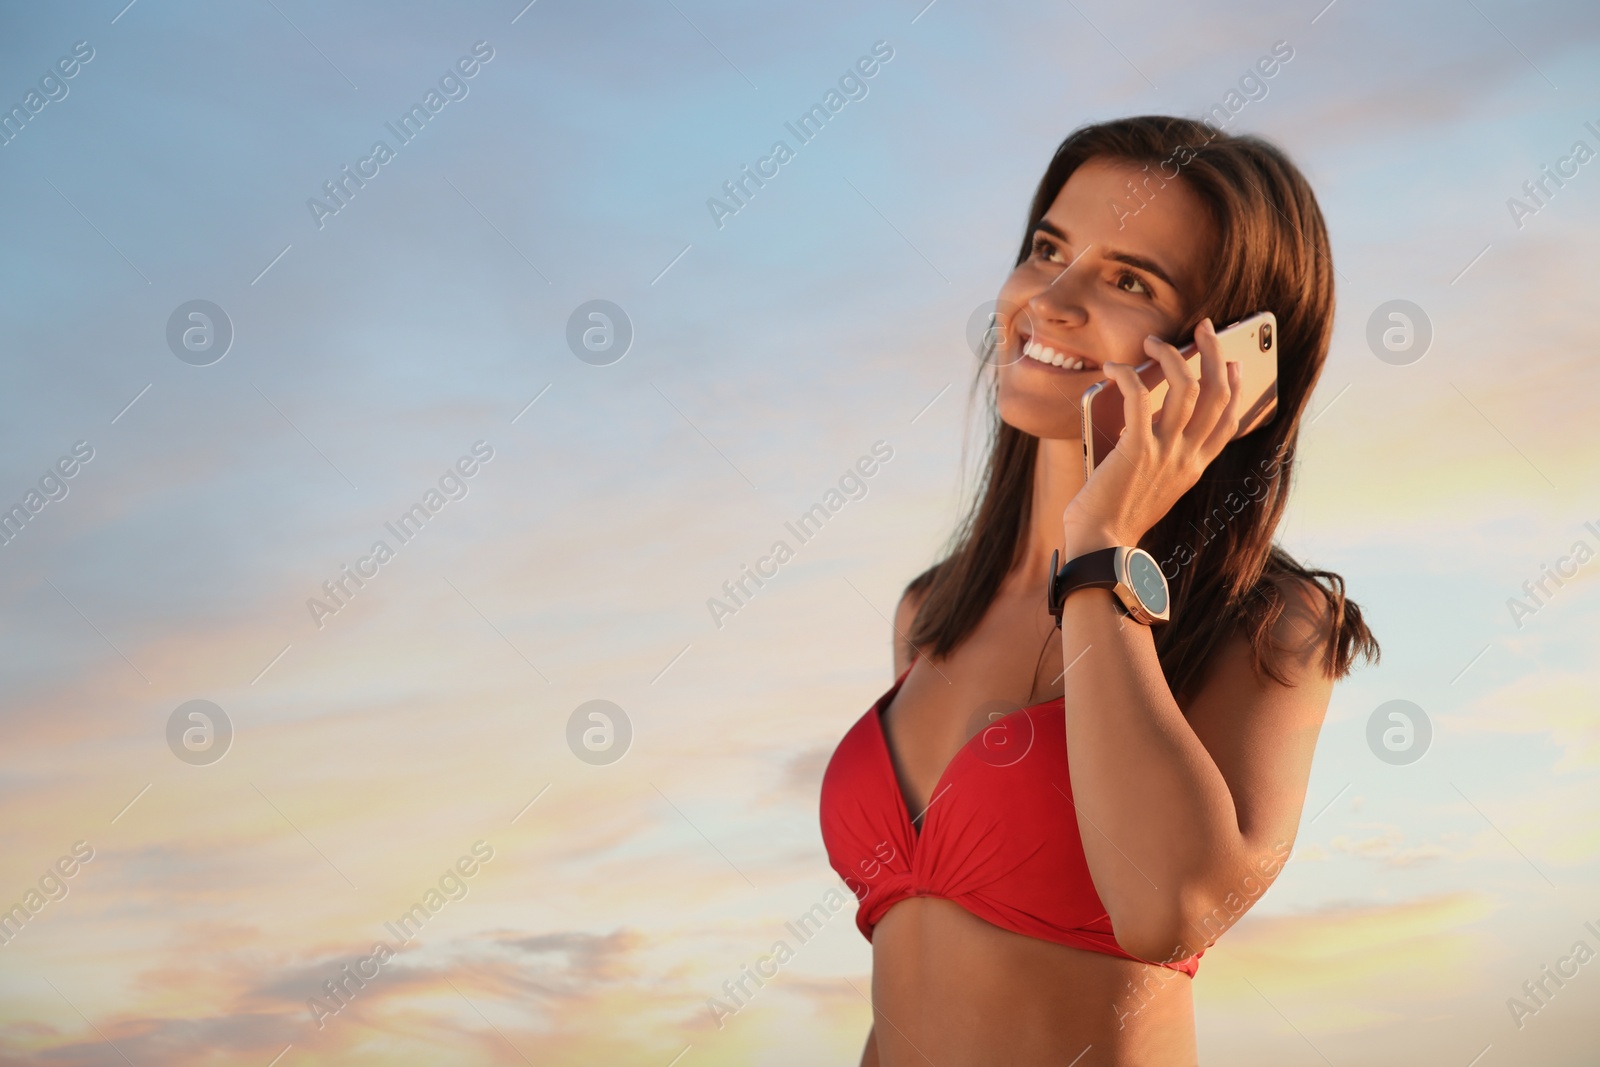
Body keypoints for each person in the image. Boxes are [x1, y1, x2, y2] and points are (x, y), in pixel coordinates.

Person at [819, 115, 1380, 1066]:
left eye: (1129, 279)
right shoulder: (930, 614)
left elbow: (1167, 906)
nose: (1051, 299)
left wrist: (1102, 549)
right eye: (1047, 249)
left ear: (1230, 363)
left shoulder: (1272, 628)